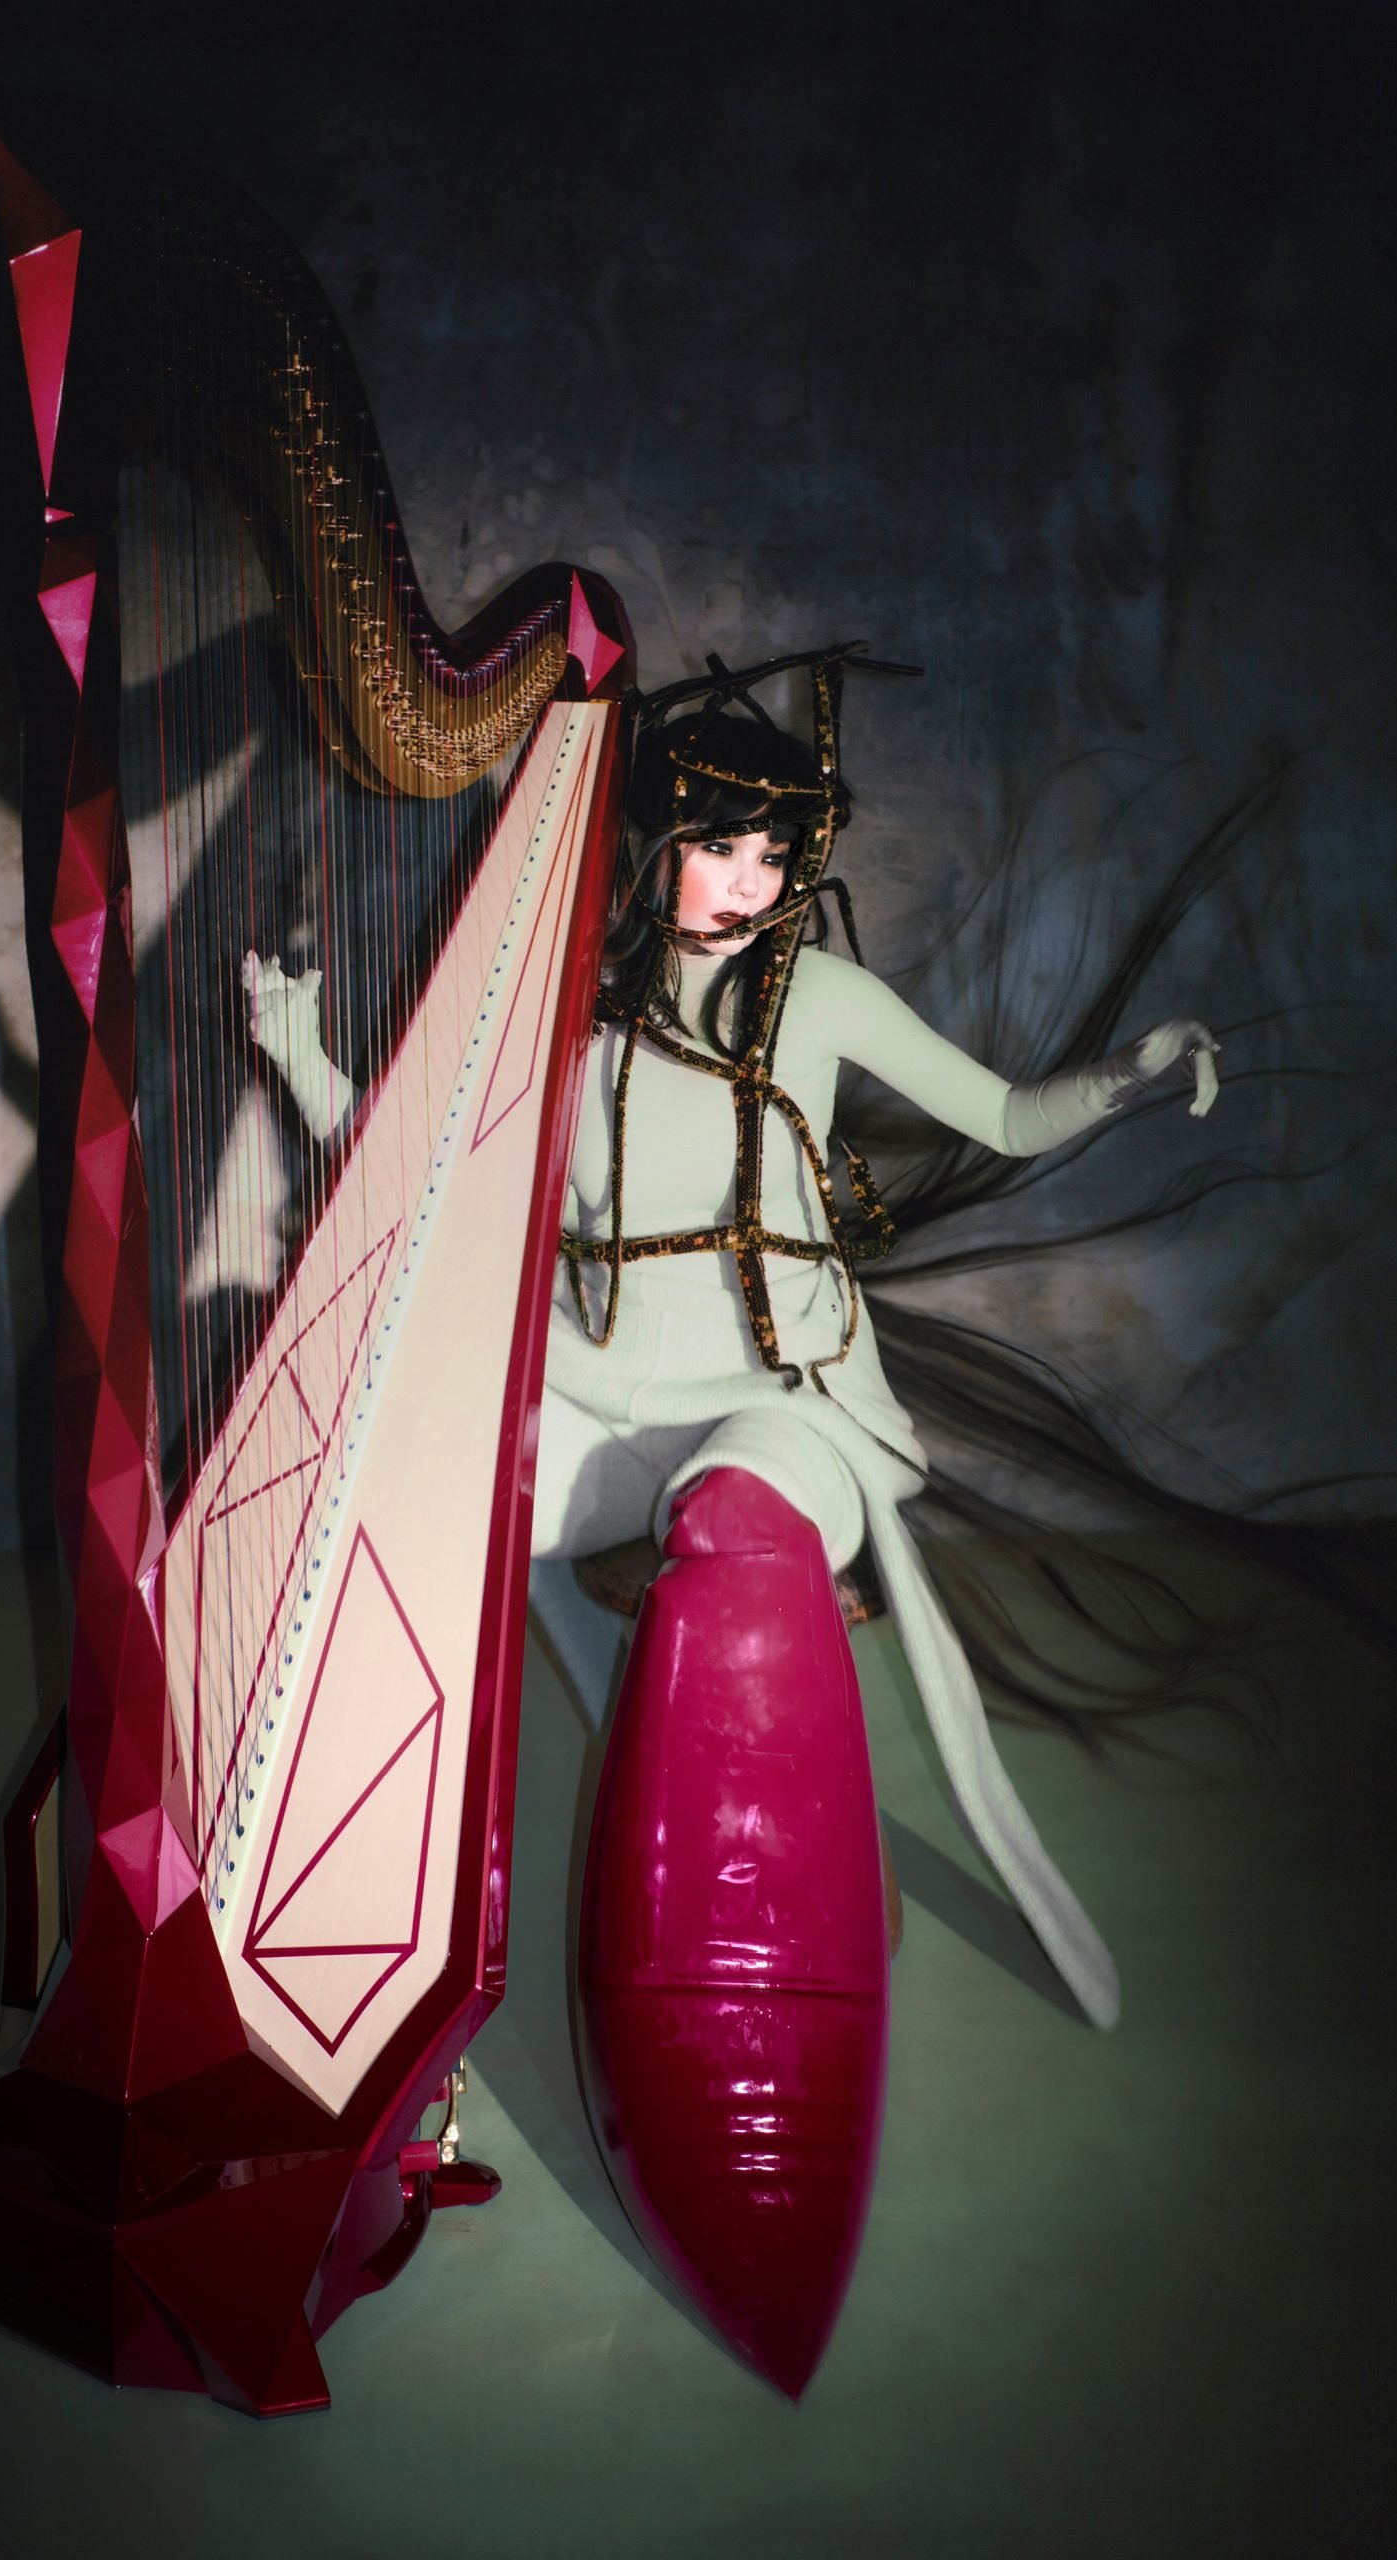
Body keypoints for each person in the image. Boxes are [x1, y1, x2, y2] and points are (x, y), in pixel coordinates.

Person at [243, 650, 1224, 2394]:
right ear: (647, 846)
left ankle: (750, 2046)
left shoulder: (819, 1002)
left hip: (786, 1409)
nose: (749, 884)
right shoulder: (558, 1016)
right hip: (598, 1401)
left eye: (776, 856)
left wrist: (1131, 1076)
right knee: (413, 1529)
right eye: (718, 848)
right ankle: (347, 1971)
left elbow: (1002, 1114)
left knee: (737, 1531)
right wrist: (305, 1062)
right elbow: (429, 1187)